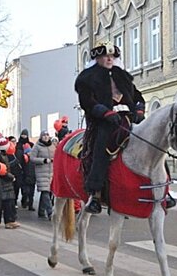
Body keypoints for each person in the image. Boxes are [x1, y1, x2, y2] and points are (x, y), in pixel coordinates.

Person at [74, 41, 146, 214]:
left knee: (151, 139)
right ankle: (95, 194)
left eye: (112, 56)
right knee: (102, 146)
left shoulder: (123, 76)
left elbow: (138, 97)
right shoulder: (87, 78)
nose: (109, 59)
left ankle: (163, 187)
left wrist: (139, 110)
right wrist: (105, 112)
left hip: (129, 119)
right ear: (97, 58)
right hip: (104, 121)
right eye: (105, 56)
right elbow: (87, 101)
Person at [0, 134, 20, 229]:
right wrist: (11, 177)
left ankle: (3, 220)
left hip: (4, 182)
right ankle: (6, 221)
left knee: (5, 202)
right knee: (5, 203)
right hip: (3, 181)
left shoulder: (1, 154)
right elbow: (1, 170)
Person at [29, 130, 57, 220]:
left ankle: (41, 211)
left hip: (51, 172)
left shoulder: (52, 146)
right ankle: (50, 213)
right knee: (45, 192)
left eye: (47, 135)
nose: (46, 137)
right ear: (41, 137)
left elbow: (56, 156)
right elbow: (32, 158)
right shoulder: (37, 146)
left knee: (47, 192)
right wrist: (43, 160)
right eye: (44, 135)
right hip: (41, 172)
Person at [17, 129, 35, 211]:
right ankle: (24, 200)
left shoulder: (31, 145)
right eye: (23, 134)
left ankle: (30, 203)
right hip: (21, 169)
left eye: (25, 135)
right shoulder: (18, 145)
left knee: (30, 190)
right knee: (24, 189)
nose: (24, 136)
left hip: (30, 169)